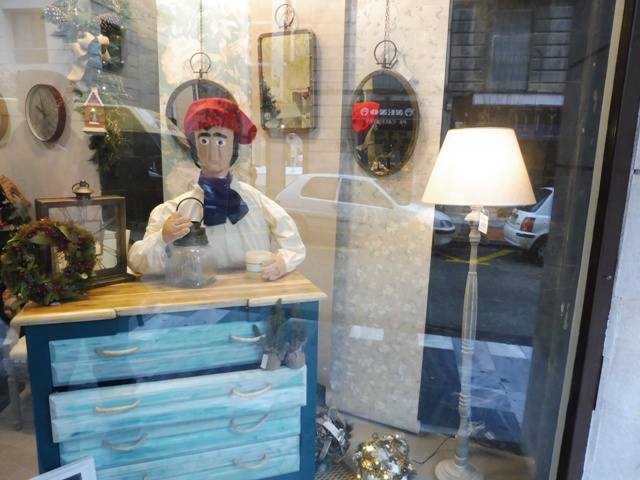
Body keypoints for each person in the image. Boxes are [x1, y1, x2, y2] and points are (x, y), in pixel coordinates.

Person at [128, 98, 305, 281]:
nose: (213, 151)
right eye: (204, 140)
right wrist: (163, 237)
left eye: (221, 141)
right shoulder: (174, 210)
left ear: (234, 147)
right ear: (194, 147)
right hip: (197, 291)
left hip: (252, 291)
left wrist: (283, 262)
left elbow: (294, 245)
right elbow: (137, 262)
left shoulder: (256, 202)